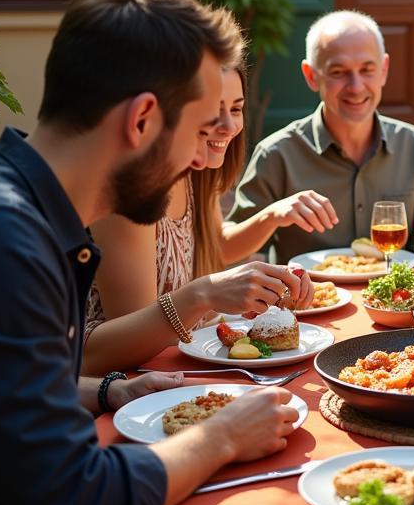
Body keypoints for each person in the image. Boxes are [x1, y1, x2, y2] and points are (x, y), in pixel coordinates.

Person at [0, 0, 300, 505]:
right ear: (142, 120)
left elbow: (3, 393)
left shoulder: (26, 214)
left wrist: (114, 389)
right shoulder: (10, 244)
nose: (201, 153)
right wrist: (223, 435)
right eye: (199, 128)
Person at [82, 62, 313, 376]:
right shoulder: (132, 191)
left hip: (181, 367)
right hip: (117, 389)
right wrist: (206, 294)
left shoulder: (196, 173)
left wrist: (258, 277)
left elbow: (212, 243)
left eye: (236, 108)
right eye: (212, 109)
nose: (229, 125)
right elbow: (136, 348)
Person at [226, 9, 414, 264]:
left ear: (384, 70)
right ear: (312, 76)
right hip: (311, 302)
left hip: (393, 301)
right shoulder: (277, 154)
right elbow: (226, 250)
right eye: (338, 72)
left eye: (367, 69)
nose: (356, 87)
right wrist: (271, 216)